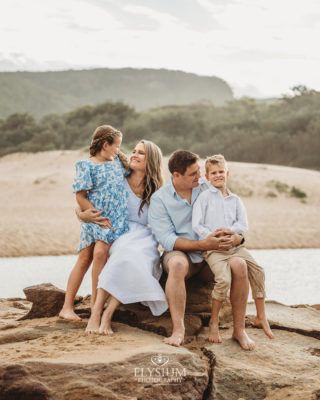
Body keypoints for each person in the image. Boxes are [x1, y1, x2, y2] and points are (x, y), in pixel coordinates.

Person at [148, 150, 256, 350]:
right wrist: (203, 244)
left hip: (212, 255)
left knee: (240, 264)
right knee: (178, 264)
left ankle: (239, 330)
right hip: (182, 254)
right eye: (193, 174)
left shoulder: (206, 185)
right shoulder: (159, 199)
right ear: (176, 175)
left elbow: (233, 212)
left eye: (199, 171)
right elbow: (168, 239)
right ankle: (178, 329)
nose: (200, 176)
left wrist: (238, 238)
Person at [85, 140, 168, 334]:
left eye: (141, 153)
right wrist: (82, 214)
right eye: (134, 151)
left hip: (145, 237)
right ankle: (96, 311)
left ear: (152, 161)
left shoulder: (157, 190)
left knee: (133, 258)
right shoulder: (118, 178)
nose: (134, 155)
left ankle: (107, 314)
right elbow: (89, 197)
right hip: (119, 230)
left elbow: (165, 221)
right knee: (123, 254)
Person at [192, 154, 274, 343]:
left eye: (221, 172)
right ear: (207, 176)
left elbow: (242, 224)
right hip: (214, 248)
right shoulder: (203, 198)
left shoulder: (235, 200)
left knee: (259, 271)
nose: (218, 175)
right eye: (213, 173)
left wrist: (232, 232)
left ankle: (261, 317)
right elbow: (197, 225)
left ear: (227, 173)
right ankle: (214, 321)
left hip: (234, 246)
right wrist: (212, 236)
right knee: (223, 280)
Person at [59, 125, 129, 320]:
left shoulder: (117, 163)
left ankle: (94, 306)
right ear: (105, 145)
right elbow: (80, 196)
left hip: (112, 220)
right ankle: (67, 307)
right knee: (84, 258)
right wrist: (87, 214)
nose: (118, 150)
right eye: (116, 146)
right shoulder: (86, 165)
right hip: (95, 219)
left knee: (100, 253)